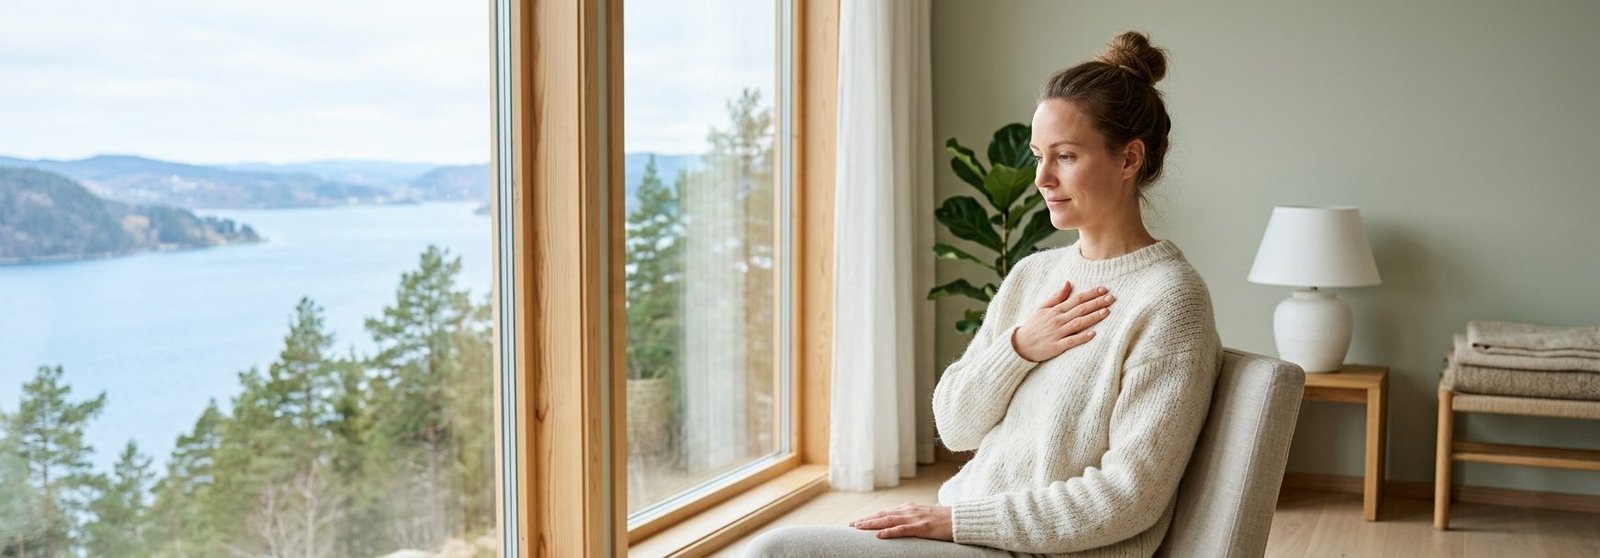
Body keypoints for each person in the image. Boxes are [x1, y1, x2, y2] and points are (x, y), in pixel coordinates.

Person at [744, 31, 1222, 557]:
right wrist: (1018, 347)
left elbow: (1128, 497)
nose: (1042, 178)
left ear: (1129, 160)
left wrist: (958, 521)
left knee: (776, 551)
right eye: (1038, 156)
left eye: (1065, 156)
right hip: (968, 528)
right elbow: (955, 427)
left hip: (1029, 548)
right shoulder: (1033, 275)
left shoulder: (1169, 299)